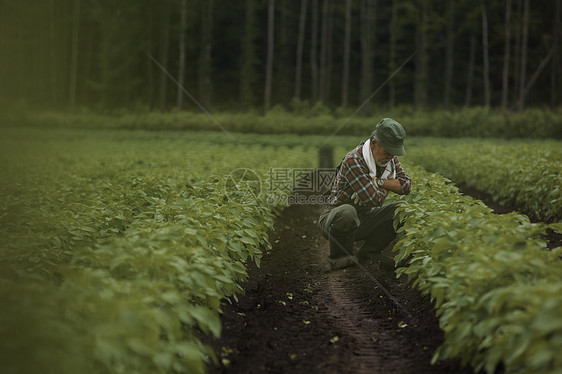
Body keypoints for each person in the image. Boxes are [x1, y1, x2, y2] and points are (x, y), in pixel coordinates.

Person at [318, 118, 411, 270]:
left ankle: (369, 253)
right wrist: (390, 184)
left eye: (393, 153)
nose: (390, 157)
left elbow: (406, 186)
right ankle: (339, 257)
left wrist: (378, 182)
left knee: (403, 209)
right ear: (374, 143)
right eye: (387, 151)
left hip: (365, 218)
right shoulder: (353, 160)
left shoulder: (390, 159)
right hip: (335, 219)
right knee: (348, 211)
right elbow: (374, 198)